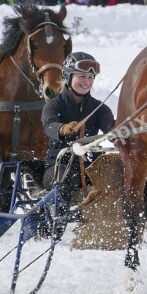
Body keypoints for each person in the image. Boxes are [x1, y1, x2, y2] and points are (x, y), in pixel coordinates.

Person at [41, 52, 115, 207]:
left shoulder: (99, 108)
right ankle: (59, 216)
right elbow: (49, 125)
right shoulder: (54, 105)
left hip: (91, 167)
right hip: (58, 167)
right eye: (82, 76)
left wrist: (123, 130)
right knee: (63, 180)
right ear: (68, 77)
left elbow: (112, 129)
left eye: (90, 77)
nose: (87, 82)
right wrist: (62, 129)